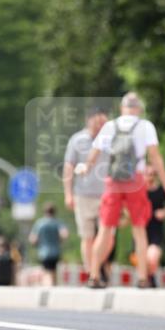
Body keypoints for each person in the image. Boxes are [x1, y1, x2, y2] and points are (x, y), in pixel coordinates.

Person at [78, 92, 165, 289]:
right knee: (139, 230)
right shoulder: (145, 126)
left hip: (113, 181)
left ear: (122, 108)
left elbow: (94, 153)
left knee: (105, 229)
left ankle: (94, 275)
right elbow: (156, 158)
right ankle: (142, 278)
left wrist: (86, 168)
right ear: (139, 109)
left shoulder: (110, 126)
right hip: (136, 181)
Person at [63, 108, 108, 273]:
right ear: (89, 120)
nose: (100, 126)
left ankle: (98, 265)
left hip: (106, 195)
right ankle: (92, 272)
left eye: (103, 123)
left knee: (108, 236)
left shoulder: (109, 139)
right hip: (83, 195)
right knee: (87, 236)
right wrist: (68, 194)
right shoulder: (77, 140)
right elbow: (69, 167)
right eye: (98, 123)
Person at [144, 165, 165, 287]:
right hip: (142, 229)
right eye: (147, 174)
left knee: (152, 256)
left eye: (152, 174)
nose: (150, 177)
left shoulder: (161, 191)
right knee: (143, 257)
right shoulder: (140, 191)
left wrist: (164, 212)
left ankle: (150, 277)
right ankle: (147, 277)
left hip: (156, 229)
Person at [29, 204, 68, 286]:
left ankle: (49, 288)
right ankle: (52, 286)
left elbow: (32, 239)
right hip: (55, 251)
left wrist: (38, 243)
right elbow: (65, 234)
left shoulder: (39, 223)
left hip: (44, 252)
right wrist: (58, 240)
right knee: (53, 271)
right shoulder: (57, 222)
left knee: (46, 272)